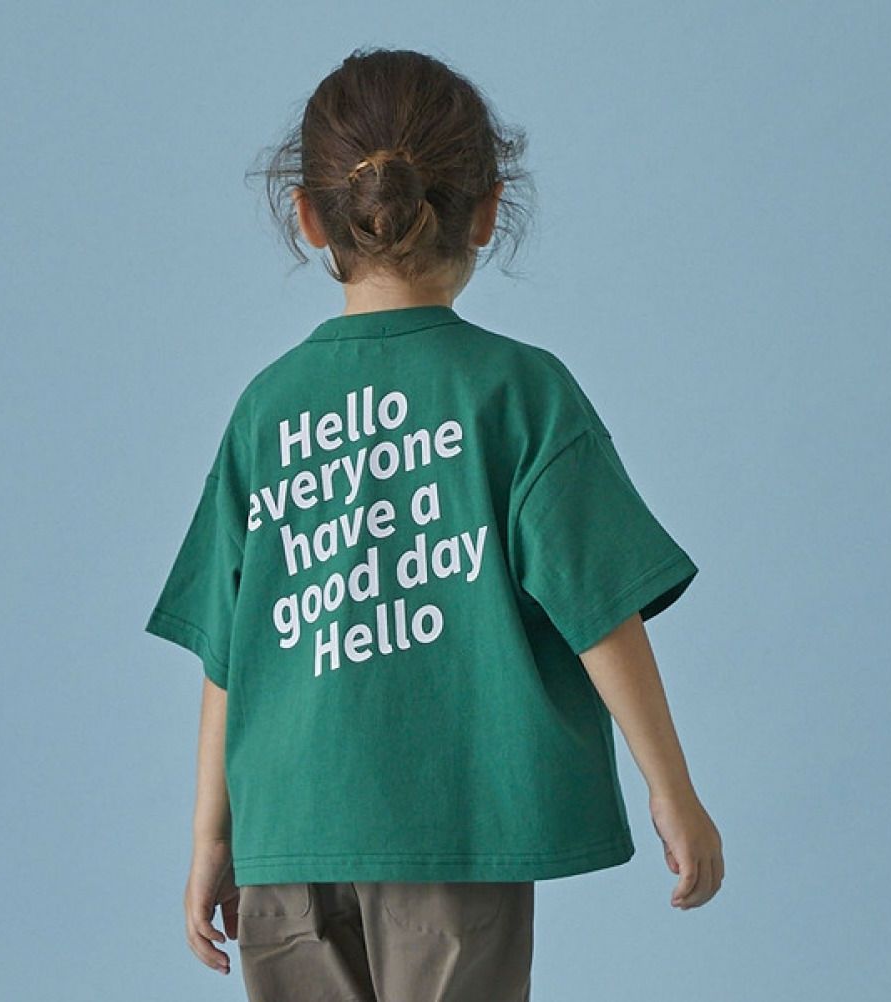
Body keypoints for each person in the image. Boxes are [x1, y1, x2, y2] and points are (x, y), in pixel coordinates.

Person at [144, 45, 724, 1002]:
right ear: (487, 212)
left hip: (286, 832)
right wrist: (673, 788)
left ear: (308, 216)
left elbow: (228, 650)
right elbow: (599, 607)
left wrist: (212, 836)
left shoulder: (266, 409)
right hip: (454, 824)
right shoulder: (520, 392)